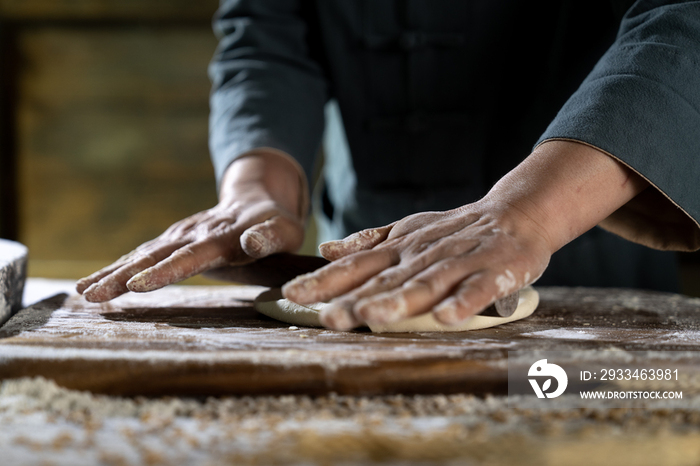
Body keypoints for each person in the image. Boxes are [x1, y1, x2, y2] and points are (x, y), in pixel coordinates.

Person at [77, 0, 700, 331]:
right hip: (364, 259)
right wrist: (256, 190)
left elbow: (684, 18)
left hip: (584, 244)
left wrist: (532, 213)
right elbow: (265, 36)